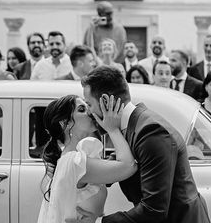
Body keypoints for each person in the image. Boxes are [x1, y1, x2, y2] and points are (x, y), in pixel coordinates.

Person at [80, 66, 211, 223]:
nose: (89, 112)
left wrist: (99, 222)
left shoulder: (151, 132)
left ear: (107, 102)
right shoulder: (131, 125)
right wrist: (74, 170)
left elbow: (154, 210)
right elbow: (114, 168)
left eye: (89, 105)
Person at [37, 93, 137, 223]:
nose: (89, 112)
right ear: (65, 123)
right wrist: (112, 129)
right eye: (81, 110)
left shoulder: (71, 159)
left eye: (87, 106)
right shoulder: (74, 162)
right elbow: (129, 166)